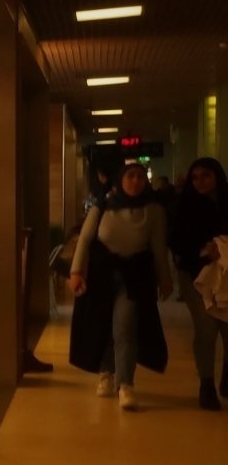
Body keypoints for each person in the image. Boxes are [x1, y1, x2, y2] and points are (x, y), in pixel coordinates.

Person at [68, 162, 172, 410]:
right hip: (102, 276)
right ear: (120, 180)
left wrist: (165, 280)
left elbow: (159, 248)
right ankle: (106, 372)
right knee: (104, 324)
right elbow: (85, 239)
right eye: (130, 176)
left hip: (133, 278)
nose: (135, 181)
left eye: (140, 177)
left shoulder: (153, 210)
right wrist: (76, 271)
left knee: (124, 327)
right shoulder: (102, 206)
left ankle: (126, 384)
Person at [168, 156, 228, 410]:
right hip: (195, 275)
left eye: (206, 175)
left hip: (227, 274)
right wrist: (203, 251)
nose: (200, 181)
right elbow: (177, 242)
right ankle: (206, 385)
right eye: (195, 177)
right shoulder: (185, 205)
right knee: (205, 330)